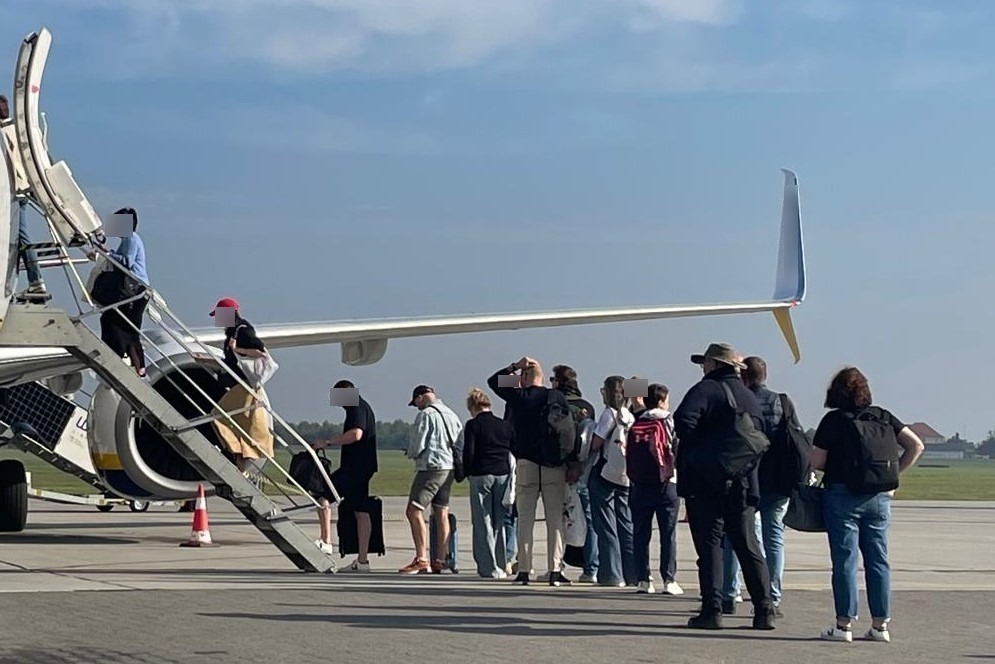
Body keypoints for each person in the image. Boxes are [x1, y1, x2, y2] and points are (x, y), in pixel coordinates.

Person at [810, 367, 924, 643]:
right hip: (879, 496)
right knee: (878, 561)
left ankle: (843, 624)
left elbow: (817, 461)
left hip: (842, 495)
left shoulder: (833, 421)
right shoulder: (883, 416)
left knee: (845, 561)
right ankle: (881, 625)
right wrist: (894, 475)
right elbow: (916, 445)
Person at [674, 342, 776, 630]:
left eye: (705, 363)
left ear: (716, 365)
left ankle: (712, 610)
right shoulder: (749, 397)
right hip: (744, 482)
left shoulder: (705, 389)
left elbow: (683, 420)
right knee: (747, 546)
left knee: (710, 548)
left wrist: (702, 452)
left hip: (707, 484)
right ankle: (764, 609)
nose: (703, 368)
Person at [721, 355, 802, 616]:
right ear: (764, 375)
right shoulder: (782, 401)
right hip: (777, 480)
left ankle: (729, 594)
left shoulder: (738, 400)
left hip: (746, 478)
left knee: (735, 538)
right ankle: (772, 596)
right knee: (773, 538)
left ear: (744, 376)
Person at [488, 357, 572, 586]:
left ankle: (524, 569)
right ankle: (555, 570)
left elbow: (493, 381)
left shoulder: (518, 397)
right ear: (543, 378)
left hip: (526, 462)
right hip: (553, 464)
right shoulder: (555, 396)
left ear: (524, 378)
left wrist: (515, 365)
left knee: (525, 518)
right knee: (554, 519)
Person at [313, 379, 378, 572]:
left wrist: (327, 442)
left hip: (355, 467)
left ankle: (326, 541)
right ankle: (363, 561)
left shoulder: (357, 407)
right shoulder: (362, 407)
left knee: (323, 495)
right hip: (363, 467)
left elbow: (356, 434)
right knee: (360, 510)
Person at [627, 382, 683, 596]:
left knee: (641, 533)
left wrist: (636, 383)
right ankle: (669, 579)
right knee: (668, 533)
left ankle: (643, 579)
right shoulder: (670, 421)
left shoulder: (637, 420)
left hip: (640, 483)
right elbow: (677, 449)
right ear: (661, 401)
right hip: (667, 483)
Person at [401, 385, 463, 574]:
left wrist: (410, 453)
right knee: (441, 511)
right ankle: (441, 559)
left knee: (413, 510)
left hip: (431, 466)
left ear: (420, 398)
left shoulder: (426, 414)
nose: (416, 407)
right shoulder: (452, 414)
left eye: (416, 403)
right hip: (449, 467)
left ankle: (421, 558)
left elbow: (418, 443)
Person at [209, 297, 273, 474]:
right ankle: (239, 458)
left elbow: (260, 351)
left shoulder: (243, 330)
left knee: (218, 416)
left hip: (244, 385)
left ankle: (243, 457)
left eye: (219, 315)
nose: (217, 319)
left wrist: (238, 349)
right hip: (238, 385)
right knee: (235, 422)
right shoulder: (232, 333)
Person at [588, 375, 638, 587]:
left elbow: (596, 444)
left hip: (605, 473)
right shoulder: (630, 416)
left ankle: (611, 573)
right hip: (625, 475)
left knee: (606, 524)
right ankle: (632, 572)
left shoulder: (609, 414)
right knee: (626, 523)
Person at [551, 364, 598, 583]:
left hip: (559, 467)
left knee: (558, 518)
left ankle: (557, 565)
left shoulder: (554, 404)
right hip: (585, 470)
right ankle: (591, 567)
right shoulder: (587, 406)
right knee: (588, 519)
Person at [462, 387, 515, 578]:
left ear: (472, 407)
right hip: (502, 474)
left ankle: (488, 567)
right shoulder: (505, 425)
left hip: (481, 474)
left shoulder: (473, 425)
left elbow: (469, 452)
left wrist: (466, 472)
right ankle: (502, 562)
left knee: (482, 521)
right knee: (499, 521)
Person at [0, 95, 49, 302]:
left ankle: (35, 280)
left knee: (20, 236)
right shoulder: (19, 131)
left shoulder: (5, 133)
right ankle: (29, 281)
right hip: (20, 190)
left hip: (14, 192)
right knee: (18, 237)